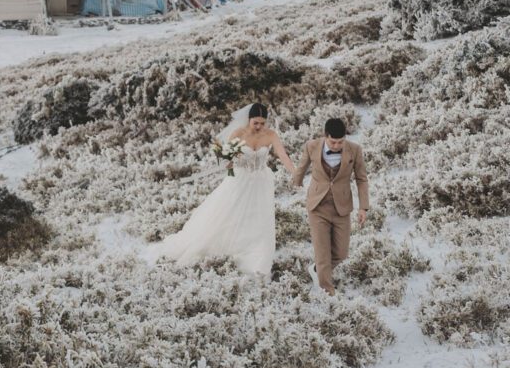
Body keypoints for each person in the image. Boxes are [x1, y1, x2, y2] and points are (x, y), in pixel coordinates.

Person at [146, 103, 296, 276]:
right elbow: (227, 161)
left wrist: (295, 173)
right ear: (249, 119)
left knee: (259, 216)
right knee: (229, 211)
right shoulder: (238, 134)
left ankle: (256, 252)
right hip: (240, 179)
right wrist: (229, 159)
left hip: (261, 181)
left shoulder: (270, 135)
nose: (259, 127)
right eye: (256, 123)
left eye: (263, 123)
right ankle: (225, 246)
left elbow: (283, 155)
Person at [293, 117, 370, 295]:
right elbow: (301, 169)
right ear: (325, 136)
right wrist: (295, 183)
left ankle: (317, 270)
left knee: (342, 253)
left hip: (342, 207)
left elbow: (361, 178)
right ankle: (327, 292)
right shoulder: (311, 146)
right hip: (317, 206)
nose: (336, 146)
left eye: (340, 142)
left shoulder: (355, 150)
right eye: (333, 142)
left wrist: (363, 207)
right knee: (322, 254)